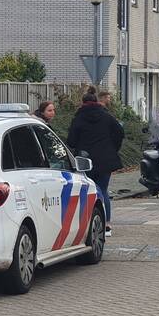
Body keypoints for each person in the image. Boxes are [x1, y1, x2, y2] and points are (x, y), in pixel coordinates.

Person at [67, 87, 124, 237]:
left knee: (87, 192)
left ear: (82, 102)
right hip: (105, 159)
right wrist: (112, 148)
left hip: (85, 161)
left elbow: (71, 141)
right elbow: (119, 132)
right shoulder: (107, 116)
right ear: (96, 101)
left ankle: (87, 223)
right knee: (103, 190)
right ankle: (107, 225)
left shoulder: (78, 118)